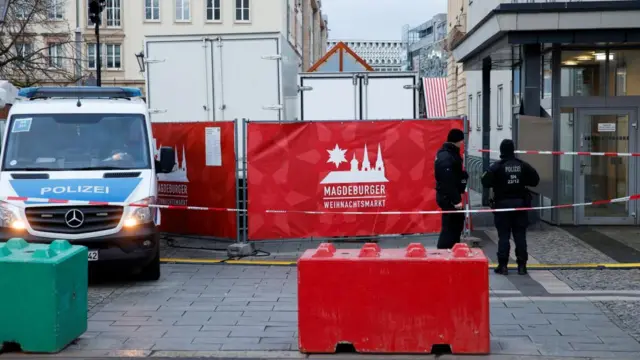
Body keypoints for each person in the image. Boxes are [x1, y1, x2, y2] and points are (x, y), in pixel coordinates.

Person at [481, 139, 540, 276]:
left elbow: (485, 181)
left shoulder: (497, 166)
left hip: (502, 206)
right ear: (513, 150)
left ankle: (503, 266)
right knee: (520, 236)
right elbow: (535, 180)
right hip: (520, 205)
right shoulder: (523, 166)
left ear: (501, 151)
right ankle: (522, 266)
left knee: (503, 236)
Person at [434, 128, 468, 249]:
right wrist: (456, 200)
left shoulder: (449, 153)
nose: (462, 143)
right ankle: (444, 252)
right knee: (450, 227)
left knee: (456, 224)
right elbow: (447, 180)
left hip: (449, 196)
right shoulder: (447, 156)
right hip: (449, 198)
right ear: (457, 141)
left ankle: (454, 250)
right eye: (462, 141)